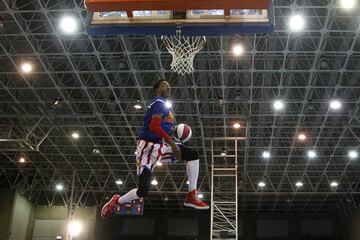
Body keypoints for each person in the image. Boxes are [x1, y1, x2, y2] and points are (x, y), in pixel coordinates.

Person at [101, 79, 209, 219]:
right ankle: (117, 200)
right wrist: (174, 144)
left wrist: (174, 136)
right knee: (142, 192)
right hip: (146, 148)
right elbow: (154, 127)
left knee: (192, 154)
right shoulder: (159, 103)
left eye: (169, 86)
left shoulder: (165, 106)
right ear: (157, 89)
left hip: (159, 146)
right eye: (165, 86)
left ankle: (191, 195)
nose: (168, 88)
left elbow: (161, 128)